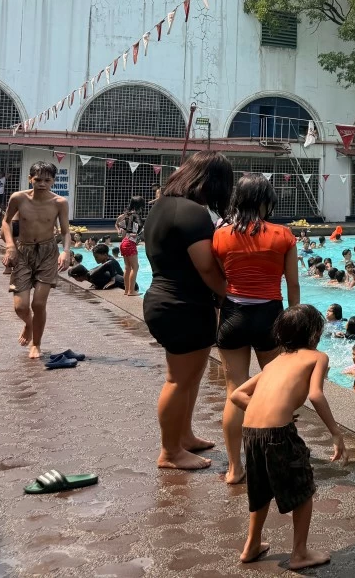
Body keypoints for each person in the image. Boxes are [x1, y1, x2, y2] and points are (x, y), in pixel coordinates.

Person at [229, 304, 347, 569]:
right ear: (315, 333)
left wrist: (265, 410)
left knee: (259, 490)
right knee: (302, 488)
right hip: (278, 433)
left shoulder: (275, 362)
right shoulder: (317, 357)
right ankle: (300, 554)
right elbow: (316, 394)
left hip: (251, 431)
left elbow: (237, 395)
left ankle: (251, 546)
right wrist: (336, 433)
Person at [141, 151, 234, 470]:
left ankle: (185, 436)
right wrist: (229, 297)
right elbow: (207, 268)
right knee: (178, 380)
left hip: (165, 299)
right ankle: (169, 452)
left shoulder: (162, 206)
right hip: (183, 305)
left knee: (191, 377)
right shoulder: (192, 212)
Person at [212, 174, 301, 485]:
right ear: (265, 201)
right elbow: (292, 284)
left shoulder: (221, 235)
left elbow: (219, 279)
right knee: (277, 390)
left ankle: (236, 468)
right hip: (270, 317)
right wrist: (294, 325)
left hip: (233, 315)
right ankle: (281, 460)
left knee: (234, 391)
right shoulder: (283, 235)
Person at [0, 162, 70, 360]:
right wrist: (10, 246)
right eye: (38, 179)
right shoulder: (19, 198)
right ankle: (29, 325)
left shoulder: (59, 202)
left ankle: (36, 344)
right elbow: (6, 221)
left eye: (47, 180)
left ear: (53, 181)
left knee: (38, 304)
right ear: (30, 179)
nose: (42, 184)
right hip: (23, 251)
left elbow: (65, 231)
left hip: (48, 252)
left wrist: (66, 251)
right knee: (21, 306)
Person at [115, 195, 147, 296]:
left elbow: (122, 230)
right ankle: (131, 291)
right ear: (140, 205)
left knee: (127, 267)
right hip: (130, 243)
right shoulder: (136, 216)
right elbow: (137, 230)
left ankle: (126, 290)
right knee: (135, 267)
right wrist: (138, 234)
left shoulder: (127, 215)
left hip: (124, 242)